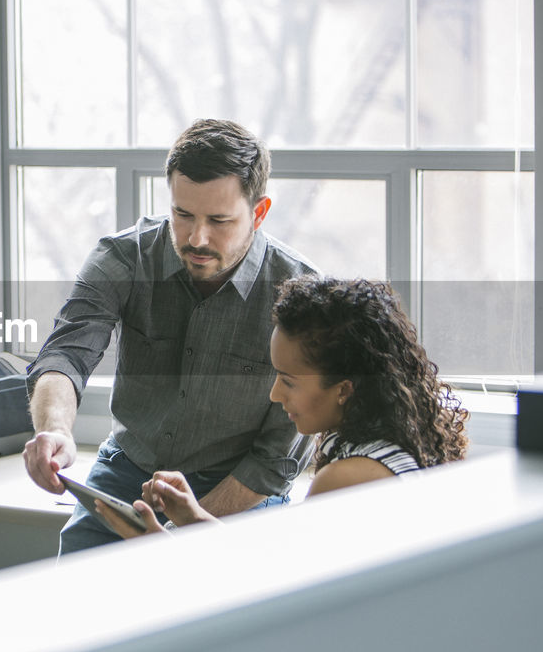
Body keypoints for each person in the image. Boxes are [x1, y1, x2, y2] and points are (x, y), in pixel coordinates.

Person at [23, 118, 319, 554]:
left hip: (239, 484)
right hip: (130, 470)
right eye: (183, 215)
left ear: (258, 212)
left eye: (219, 220)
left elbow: (275, 460)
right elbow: (66, 354)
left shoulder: (299, 293)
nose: (197, 238)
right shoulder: (124, 257)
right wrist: (55, 431)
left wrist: (179, 531)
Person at [94, 277, 470, 537]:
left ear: (343, 389)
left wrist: (160, 547)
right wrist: (194, 518)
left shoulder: (349, 480)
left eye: (289, 381)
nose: (274, 395)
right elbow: (279, 562)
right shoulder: (390, 449)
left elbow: (276, 590)